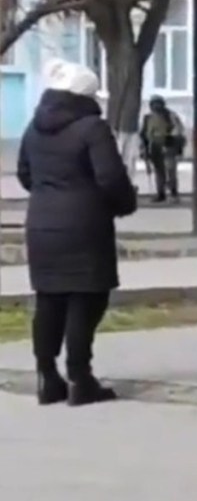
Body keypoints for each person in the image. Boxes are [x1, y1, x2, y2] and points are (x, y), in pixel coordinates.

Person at [16, 58, 137, 407]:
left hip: (41, 224)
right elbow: (110, 178)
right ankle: (80, 378)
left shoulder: (33, 127)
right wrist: (124, 203)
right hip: (85, 225)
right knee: (87, 297)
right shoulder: (91, 127)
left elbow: (25, 174)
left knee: (49, 298)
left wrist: (48, 194)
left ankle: (47, 377)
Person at [140, 95, 186, 203]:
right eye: (154, 104)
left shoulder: (170, 116)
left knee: (170, 171)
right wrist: (144, 150)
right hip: (155, 147)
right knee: (159, 172)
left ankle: (173, 193)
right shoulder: (148, 118)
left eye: (158, 104)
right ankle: (161, 193)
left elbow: (178, 130)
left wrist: (173, 143)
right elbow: (144, 135)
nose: (156, 107)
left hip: (169, 146)